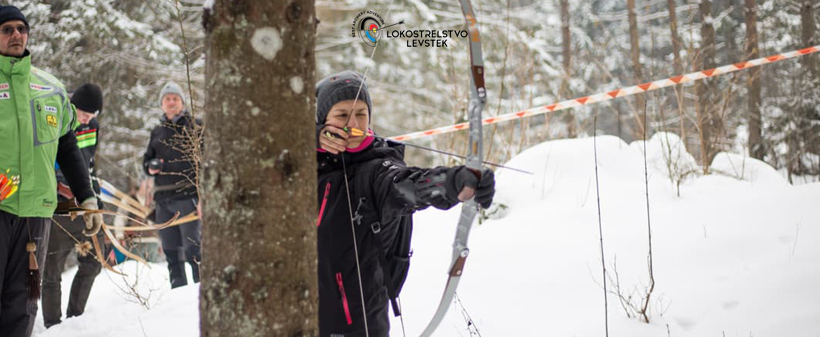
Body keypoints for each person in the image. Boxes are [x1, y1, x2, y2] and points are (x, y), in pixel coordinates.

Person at [315, 71, 495, 337]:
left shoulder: (377, 169)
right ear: (323, 121)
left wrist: (455, 182)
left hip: (358, 322)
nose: (353, 123)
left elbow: (409, 184)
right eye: (342, 115)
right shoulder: (299, 165)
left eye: (361, 114)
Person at [0, 6, 102, 336]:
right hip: (0, 205)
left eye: (21, 28)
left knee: (23, 305)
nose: (16, 34)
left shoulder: (51, 88)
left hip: (35, 214)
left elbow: (68, 148)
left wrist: (86, 197)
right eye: (6, 30)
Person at [42, 83, 105, 328]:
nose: (86, 118)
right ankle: (53, 326)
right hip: (59, 206)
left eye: (92, 114)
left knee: (94, 261)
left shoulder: (92, 125)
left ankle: (74, 319)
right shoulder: (55, 118)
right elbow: (49, 160)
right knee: (52, 270)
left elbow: (88, 162)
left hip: (86, 205)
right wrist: (61, 185)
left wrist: (92, 191)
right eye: (83, 112)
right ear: (72, 105)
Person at [142, 81, 201, 288]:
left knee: (193, 249)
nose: (171, 102)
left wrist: (203, 199)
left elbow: (204, 163)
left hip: (187, 196)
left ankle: (199, 291)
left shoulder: (195, 126)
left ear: (183, 103)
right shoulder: (157, 131)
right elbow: (146, 163)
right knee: (170, 250)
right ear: (162, 105)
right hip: (163, 200)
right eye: (167, 99)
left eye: (175, 98)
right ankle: (177, 293)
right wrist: (151, 166)